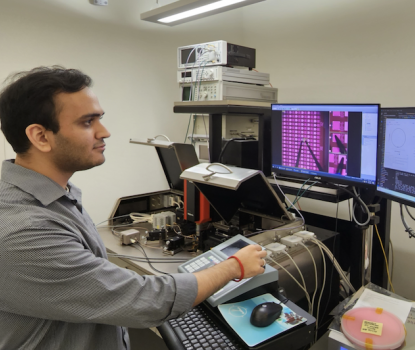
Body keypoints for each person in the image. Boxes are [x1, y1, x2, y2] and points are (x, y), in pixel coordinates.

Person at [0, 66, 268, 350]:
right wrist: (233, 267)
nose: (105, 132)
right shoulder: (23, 229)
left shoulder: (56, 195)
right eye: (87, 122)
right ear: (40, 136)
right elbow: (143, 300)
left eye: (99, 119)